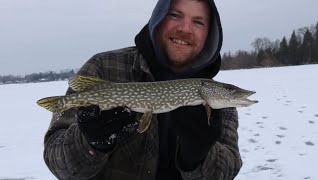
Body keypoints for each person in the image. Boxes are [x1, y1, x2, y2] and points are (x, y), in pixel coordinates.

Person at [43, 0, 242, 179]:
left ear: (210, 34)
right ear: (158, 18)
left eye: (199, 22)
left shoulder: (219, 103)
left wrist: (198, 155)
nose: (185, 28)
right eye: (175, 15)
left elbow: (229, 170)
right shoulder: (103, 67)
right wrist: (91, 143)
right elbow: (57, 161)